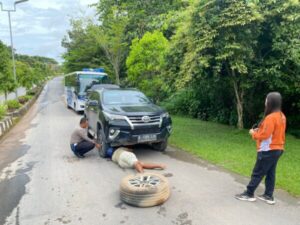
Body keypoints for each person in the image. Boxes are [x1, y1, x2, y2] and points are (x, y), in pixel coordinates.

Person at [235, 92, 286, 205]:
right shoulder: (281, 116)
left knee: (257, 172)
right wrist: (260, 130)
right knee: (270, 173)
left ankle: (249, 193)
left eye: (266, 99)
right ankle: (268, 195)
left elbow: (264, 136)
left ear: (270, 102)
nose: (265, 101)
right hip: (278, 149)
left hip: (268, 150)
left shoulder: (270, 117)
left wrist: (253, 133)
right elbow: (273, 132)